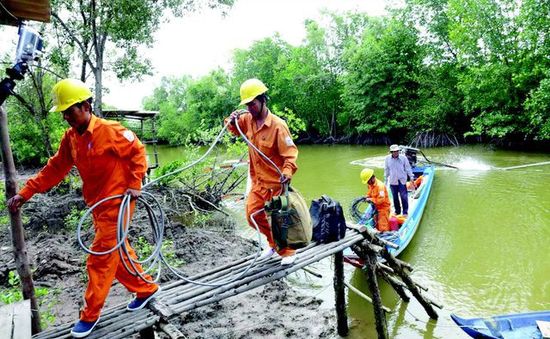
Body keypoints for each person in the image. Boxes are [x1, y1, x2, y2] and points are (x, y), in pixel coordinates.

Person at [6, 79, 159, 338]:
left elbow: (137, 151)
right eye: (63, 112)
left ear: (86, 106)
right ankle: (145, 288)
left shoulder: (111, 131)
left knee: (100, 258)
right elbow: (54, 169)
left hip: (118, 204)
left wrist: (135, 183)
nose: (66, 116)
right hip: (97, 206)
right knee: (118, 253)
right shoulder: (71, 139)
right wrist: (25, 192)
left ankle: (90, 315)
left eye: (70, 110)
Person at [226, 78, 299, 266]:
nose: (250, 108)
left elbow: (290, 154)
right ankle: (273, 244)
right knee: (253, 216)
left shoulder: (278, 126)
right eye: (247, 105)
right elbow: (232, 130)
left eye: (253, 104)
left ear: (263, 99)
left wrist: (287, 172)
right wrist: (232, 120)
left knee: (280, 219)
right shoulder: (247, 120)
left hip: (276, 183)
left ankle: (288, 252)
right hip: (258, 182)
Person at [384, 144, 415, 216]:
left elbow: (408, 168)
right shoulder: (387, 159)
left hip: (402, 180)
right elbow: (386, 170)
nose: (396, 153)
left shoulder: (403, 158)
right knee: (395, 197)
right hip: (392, 181)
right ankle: (397, 211)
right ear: (391, 152)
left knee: (404, 196)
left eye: (397, 151)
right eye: (394, 151)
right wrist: (385, 180)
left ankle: (405, 212)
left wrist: (411, 177)